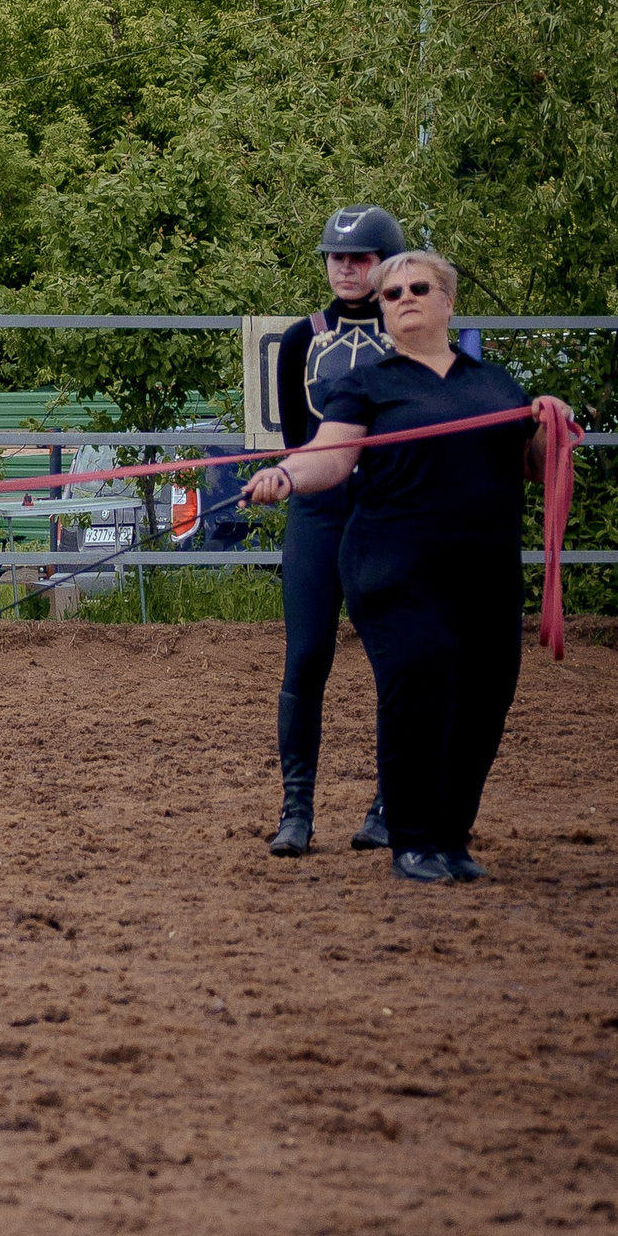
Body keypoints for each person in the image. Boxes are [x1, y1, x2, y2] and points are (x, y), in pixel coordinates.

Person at [244, 250, 570, 887]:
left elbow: (535, 468)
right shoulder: (366, 383)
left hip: (485, 574)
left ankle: (451, 836)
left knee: (484, 699)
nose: (405, 298)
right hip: (393, 571)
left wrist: (548, 427)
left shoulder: (498, 386)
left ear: (448, 303)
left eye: (420, 288)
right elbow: (330, 457)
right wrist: (285, 475)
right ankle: (412, 839)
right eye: (392, 293)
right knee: (417, 686)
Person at [265, 205, 403, 857]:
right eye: (337, 257)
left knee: (396, 661)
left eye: (361, 257)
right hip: (320, 510)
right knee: (307, 654)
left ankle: (389, 802)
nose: (346, 267)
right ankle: (296, 808)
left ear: (385, 263)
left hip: (387, 512)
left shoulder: (412, 340)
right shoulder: (300, 339)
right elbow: (299, 437)